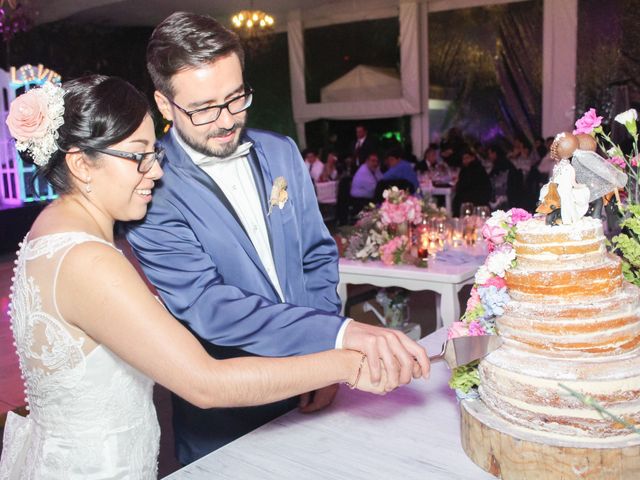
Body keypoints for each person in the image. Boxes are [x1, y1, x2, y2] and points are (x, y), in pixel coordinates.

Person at [0, 76, 403, 479]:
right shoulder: (88, 261)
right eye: (138, 156)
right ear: (81, 163)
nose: (156, 171)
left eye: (153, 152)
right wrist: (347, 364)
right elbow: (206, 384)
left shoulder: (49, 230)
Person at [126, 12, 429, 464]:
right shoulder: (150, 188)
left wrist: (323, 358)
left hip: (316, 391)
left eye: (236, 98)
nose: (227, 120)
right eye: (205, 108)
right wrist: (339, 337)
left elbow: (316, 257)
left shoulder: (280, 150)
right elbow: (210, 307)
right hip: (228, 415)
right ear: (165, 105)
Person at [452, 148, 492, 216]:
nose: (465, 160)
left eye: (467, 158)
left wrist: (457, 186)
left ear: (473, 158)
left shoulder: (471, 169)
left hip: (473, 200)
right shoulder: (479, 167)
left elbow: (463, 185)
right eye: (463, 159)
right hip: (482, 199)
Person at [350, 151, 383, 215]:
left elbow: (382, 180)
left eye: (377, 161)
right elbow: (374, 188)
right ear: (367, 161)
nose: (375, 163)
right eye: (373, 161)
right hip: (360, 200)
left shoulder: (374, 169)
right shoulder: (363, 171)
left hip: (369, 198)